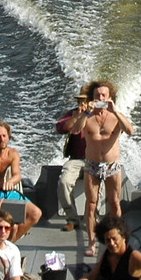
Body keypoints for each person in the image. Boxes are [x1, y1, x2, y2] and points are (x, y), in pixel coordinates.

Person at [78, 80, 135, 256]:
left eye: (104, 95)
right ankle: (92, 243)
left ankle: (118, 239)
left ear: (109, 97)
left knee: (114, 202)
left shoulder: (116, 117)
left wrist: (115, 110)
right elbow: (74, 130)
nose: (100, 98)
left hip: (112, 166)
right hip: (92, 165)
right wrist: (86, 111)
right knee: (91, 204)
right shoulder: (87, 117)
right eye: (97, 96)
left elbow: (130, 131)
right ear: (92, 97)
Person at [53, 85, 93, 231]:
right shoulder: (73, 114)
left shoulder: (99, 114)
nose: (82, 103)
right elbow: (61, 128)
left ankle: (94, 219)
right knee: (64, 182)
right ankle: (72, 218)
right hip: (76, 159)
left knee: (99, 185)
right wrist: (77, 117)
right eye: (80, 100)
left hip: (95, 159)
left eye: (86, 100)